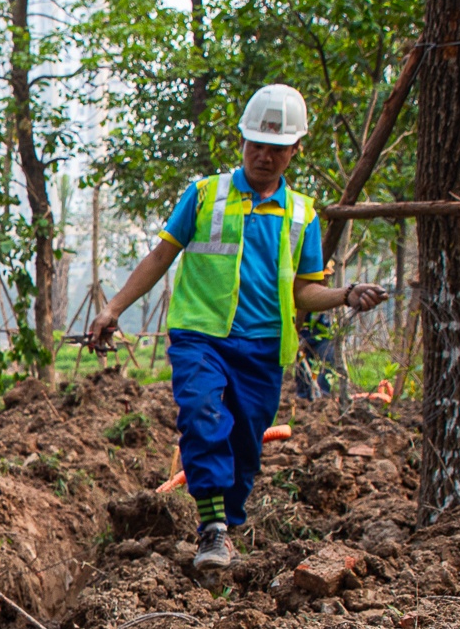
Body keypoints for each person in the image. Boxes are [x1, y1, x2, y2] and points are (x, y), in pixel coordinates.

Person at [91, 85, 386, 572]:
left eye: (276, 148)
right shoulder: (206, 194)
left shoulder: (302, 215)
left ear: (295, 151)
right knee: (203, 419)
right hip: (200, 336)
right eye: (255, 145)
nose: (263, 156)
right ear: (242, 141)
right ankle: (211, 531)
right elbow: (161, 255)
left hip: (263, 346)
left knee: (246, 443)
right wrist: (113, 308)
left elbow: (305, 292)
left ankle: (226, 529)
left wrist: (346, 295)